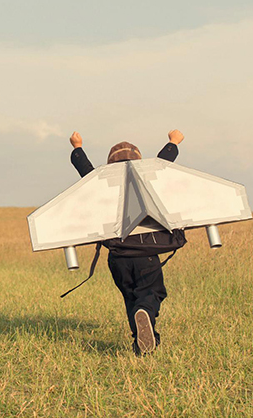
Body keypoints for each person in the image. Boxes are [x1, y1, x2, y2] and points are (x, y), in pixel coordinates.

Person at [68, 129, 185, 355]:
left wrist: (77, 148)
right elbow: (162, 165)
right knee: (151, 294)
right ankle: (145, 315)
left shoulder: (103, 187)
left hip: (118, 258)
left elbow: (87, 173)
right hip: (146, 254)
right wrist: (173, 142)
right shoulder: (147, 183)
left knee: (130, 297)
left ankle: (140, 345)